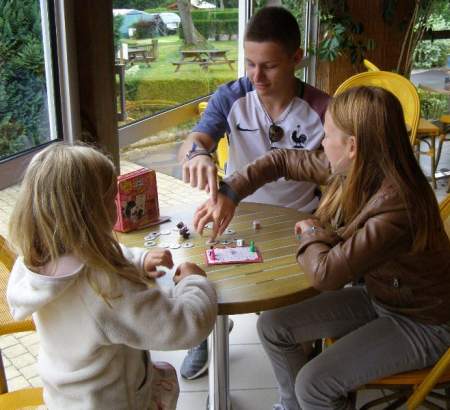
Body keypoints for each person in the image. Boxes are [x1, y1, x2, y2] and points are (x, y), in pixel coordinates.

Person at [193, 86, 450, 410]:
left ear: (352, 146)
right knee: (273, 326)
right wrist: (230, 191)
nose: (321, 145)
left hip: (425, 322)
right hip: (385, 296)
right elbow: (281, 159)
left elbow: (326, 274)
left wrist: (312, 229)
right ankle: (293, 406)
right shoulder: (358, 166)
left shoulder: (397, 205)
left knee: (314, 384)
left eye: (327, 136)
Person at [178, 5, 329, 379]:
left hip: (297, 221)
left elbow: (337, 176)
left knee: (290, 307)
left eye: (269, 66)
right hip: (236, 212)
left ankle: (305, 356)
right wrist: (197, 153)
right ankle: (204, 330)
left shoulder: (324, 110)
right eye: (249, 64)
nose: (256, 77)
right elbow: (194, 140)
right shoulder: (231, 97)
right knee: (194, 260)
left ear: (297, 58)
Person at [6, 143, 218, 410]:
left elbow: (99, 253)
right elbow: (186, 326)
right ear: (90, 215)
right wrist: (194, 282)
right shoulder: (106, 287)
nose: (116, 207)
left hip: (67, 400)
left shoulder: (36, 262)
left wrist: (139, 259)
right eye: (109, 200)